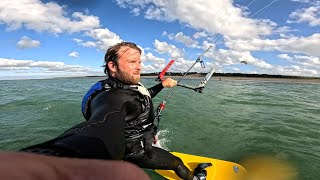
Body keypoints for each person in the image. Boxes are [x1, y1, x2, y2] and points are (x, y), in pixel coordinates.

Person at [20, 42, 200, 180]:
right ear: (113, 66)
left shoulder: (129, 85)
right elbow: (101, 125)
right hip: (135, 150)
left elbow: (142, 97)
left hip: (140, 138)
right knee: (177, 164)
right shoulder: (111, 97)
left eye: (139, 62)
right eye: (132, 62)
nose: (139, 67)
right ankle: (194, 178)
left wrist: (161, 85)